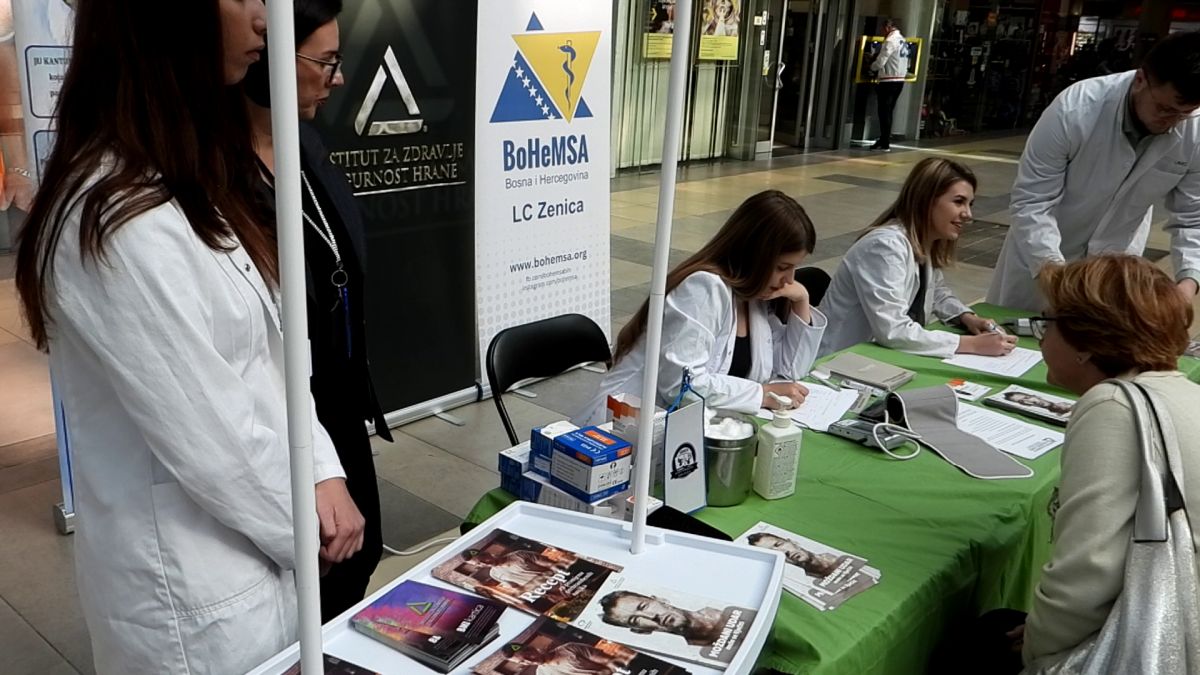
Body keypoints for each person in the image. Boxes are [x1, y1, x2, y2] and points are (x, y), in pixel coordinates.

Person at [13, 1, 364, 672]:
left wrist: (322, 468)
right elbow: (210, 434)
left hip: (253, 554)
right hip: (193, 595)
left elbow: (271, 356)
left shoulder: (189, 174)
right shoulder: (110, 216)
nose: (264, 19)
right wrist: (307, 525)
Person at [936, 255, 1200, 674]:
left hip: (1159, 644)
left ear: (1088, 341)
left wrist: (1038, 647)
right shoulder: (1180, 392)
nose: (1041, 338)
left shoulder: (1114, 406)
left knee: (976, 644)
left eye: (1048, 323)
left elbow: (1087, 572)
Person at [242, 0, 393, 622]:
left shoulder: (304, 142)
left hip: (338, 394)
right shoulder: (217, 174)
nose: (338, 78)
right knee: (317, 570)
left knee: (363, 549)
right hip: (282, 410)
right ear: (269, 59)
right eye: (325, 62)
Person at [987, 31, 1200, 311]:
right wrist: (1052, 272)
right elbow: (1032, 201)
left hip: (1114, 266)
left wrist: (1187, 285)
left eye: (1184, 113)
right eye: (1164, 108)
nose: (1172, 121)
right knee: (1021, 333)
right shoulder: (1075, 109)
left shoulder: (1194, 129)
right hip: (1040, 259)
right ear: (1140, 80)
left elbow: (1192, 219)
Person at [575, 190, 826, 424]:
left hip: (694, 427)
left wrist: (802, 301)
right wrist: (761, 394)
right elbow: (681, 386)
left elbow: (789, 374)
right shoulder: (703, 289)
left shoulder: (755, 300)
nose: (789, 280)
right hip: (627, 425)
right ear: (754, 256)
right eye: (782, 268)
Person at [818, 157, 1017, 358]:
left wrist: (966, 317)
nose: (968, 214)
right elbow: (892, 330)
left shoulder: (922, 242)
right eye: (959, 202)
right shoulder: (884, 247)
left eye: (969, 204)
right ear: (926, 200)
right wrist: (970, 344)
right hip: (836, 360)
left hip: (872, 357)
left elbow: (936, 292)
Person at [599, 590, 730, 647]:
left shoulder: (722, 608)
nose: (651, 616)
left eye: (643, 606)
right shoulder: (695, 651)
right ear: (640, 631)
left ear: (660, 600)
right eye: (634, 620)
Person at [869, 17, 908, 151]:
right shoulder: (902, 40)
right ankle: (884, 139)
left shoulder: (890, 41)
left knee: (884, 112)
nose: (881, 32)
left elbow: (881, 61)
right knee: (889, 111)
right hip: (900, 80)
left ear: (887, 27)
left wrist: (871, 67)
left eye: (882, 29)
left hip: (888, 80)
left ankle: (884, 142)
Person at [746, 532, 840, 578]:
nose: (783, 552)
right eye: (774, 553)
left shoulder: (834, 556)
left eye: (779, 544)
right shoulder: (807, 582)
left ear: (792, 542)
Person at [1002, 391, 1072, 416]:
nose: (1030, 401)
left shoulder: (1068, 404)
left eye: (1027, 397)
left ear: (1035, 396)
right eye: (1022, 401)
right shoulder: (1057, 415)